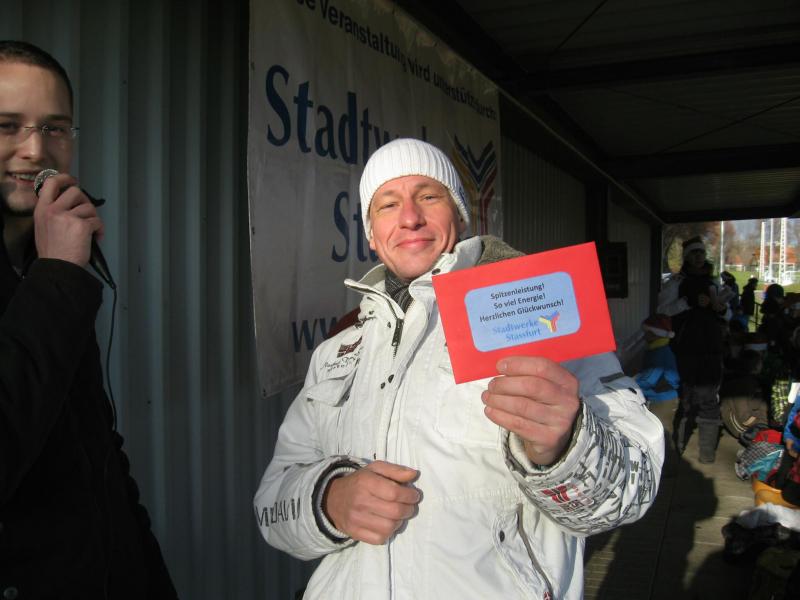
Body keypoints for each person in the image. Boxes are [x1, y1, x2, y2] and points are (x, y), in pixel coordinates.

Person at [254, 138, 664, 599]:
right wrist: (329, 500)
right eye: (388, 204)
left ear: (461, 215)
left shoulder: (542, 312)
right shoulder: (337, 350)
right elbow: (271, 505)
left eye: (429, 196)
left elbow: (634, 489)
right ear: (371, 233)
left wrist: (567, 446)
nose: (410, 217)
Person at [0, 41, 176, 598]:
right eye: (7, 126)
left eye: (55, 128)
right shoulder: (56, 271)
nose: (35, 150)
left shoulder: (47, 262)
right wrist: (57, 277)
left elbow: (98, 445)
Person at [658, 236, 727, 463]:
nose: (698, 257)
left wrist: (721, 308)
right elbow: (663, 310)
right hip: (686, 348)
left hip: (712, 347)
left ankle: (707, 454)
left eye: (701, 253)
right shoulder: (677, 282)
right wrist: (689, 302)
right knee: (685, 399)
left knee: (709, 399)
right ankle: (676, 450)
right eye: (694, 253)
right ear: (687, 257)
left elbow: (727, 315)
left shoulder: (714, 282)